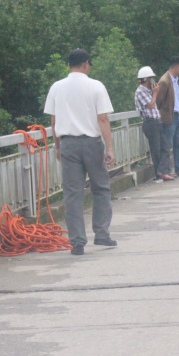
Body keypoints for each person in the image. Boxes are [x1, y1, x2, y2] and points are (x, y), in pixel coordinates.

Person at [44, 48, 116, 256]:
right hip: (92, 144)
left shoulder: (57, 87)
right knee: (100, 188)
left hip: (68, 144)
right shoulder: (96, 86)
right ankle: (101, 233)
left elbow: (54, 121)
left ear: (68, 65)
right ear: (86, 64)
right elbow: (103, 119)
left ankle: (77, 242)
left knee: (73, 194)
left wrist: (58, 146)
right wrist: (109, 147)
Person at [134, 66, 173, 183]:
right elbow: (150, 105)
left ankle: (162, 172)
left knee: (165, 147)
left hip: (156, 122)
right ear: (147, 79)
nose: (153, 80)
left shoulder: (147, 91)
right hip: (150, 123)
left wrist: (153, 92)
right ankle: (159, 174)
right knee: (156, 150)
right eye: (151, 78)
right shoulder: (140, 91)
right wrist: (155, 92)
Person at [156, 56, 179, 177]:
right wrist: (163, 113)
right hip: (169, 117)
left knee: (178, 143)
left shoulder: (175, 80)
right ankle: (166, 170)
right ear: (177, 66)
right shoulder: (164, 81)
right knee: (168, 144)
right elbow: (158, 101)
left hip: (176, 115)